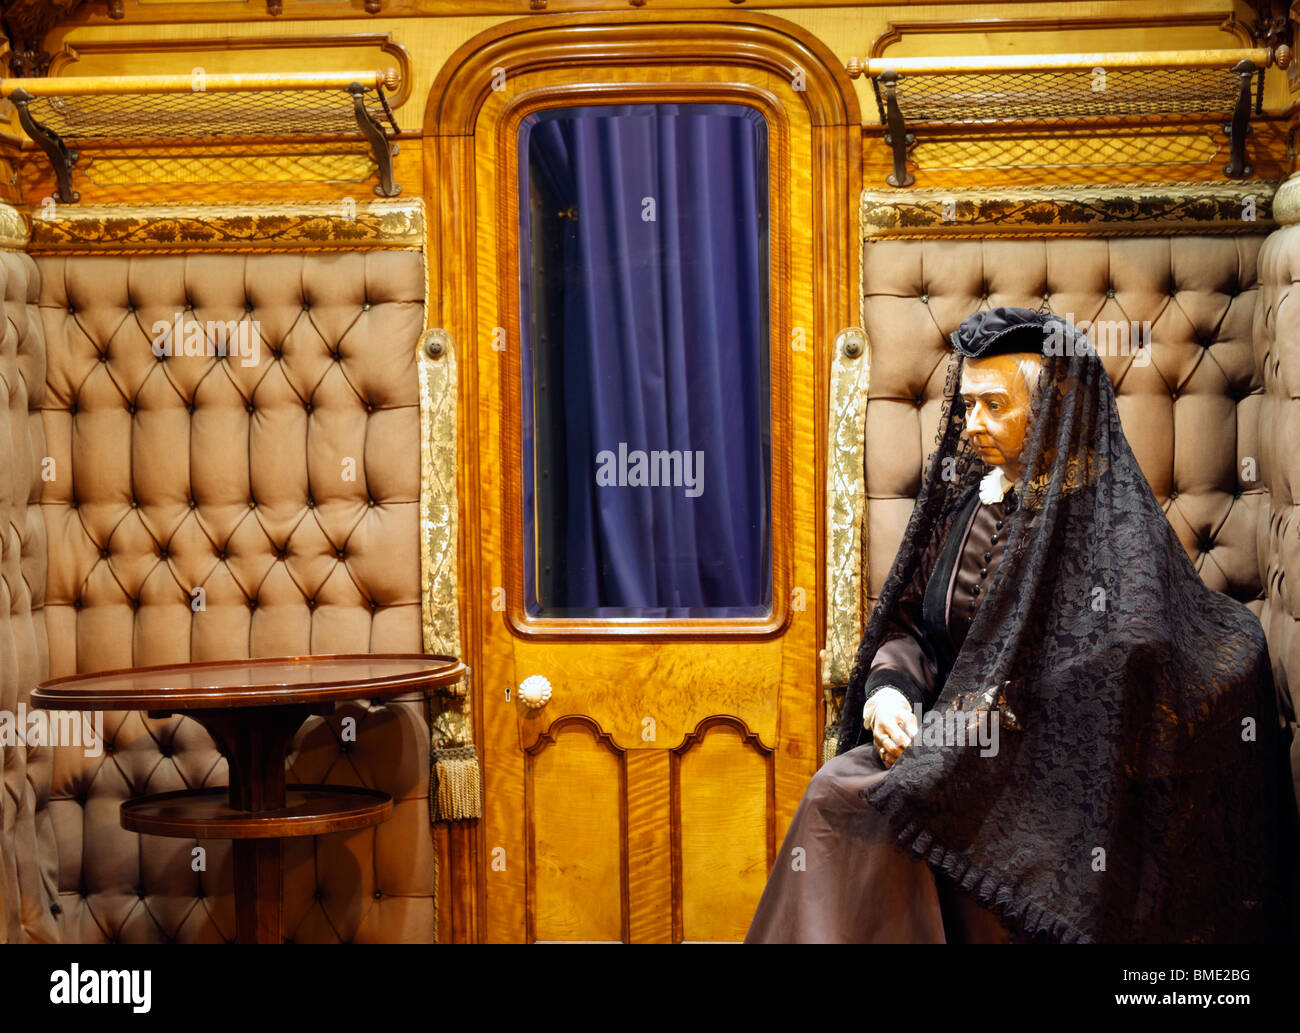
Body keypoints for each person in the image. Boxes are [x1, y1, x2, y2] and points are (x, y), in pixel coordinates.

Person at [745, 306, 1298, 944]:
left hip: (1046, 791)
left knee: (848, 796)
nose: (971, 425)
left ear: (1054, 408)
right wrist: (891, 695)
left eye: (994, 406)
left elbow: (1124, 665)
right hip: (948, 750)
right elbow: (916, 626)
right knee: (836, 792)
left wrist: (968, 735)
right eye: (968, 403)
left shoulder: (1112, 528)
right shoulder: (973, 502)